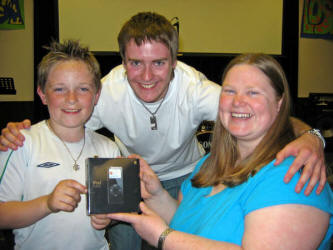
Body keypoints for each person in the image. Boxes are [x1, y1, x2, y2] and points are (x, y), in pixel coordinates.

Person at [0, 12, 327, 250]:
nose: (145, 76)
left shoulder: (196, 89)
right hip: (139, 173)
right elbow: (63, 111)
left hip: (187, 175)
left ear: (174, 61)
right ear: (122, 62)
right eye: (135, 63)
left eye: (158, 62)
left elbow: (260, 114)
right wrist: (20, 131)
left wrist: (312, 137)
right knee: (127, 238)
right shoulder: (104, 92)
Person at [99, 53, 333, 250]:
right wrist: (156, 194)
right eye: (229, 91)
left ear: (279, 103)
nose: (238, 101)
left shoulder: (295, 175)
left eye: (253, 92)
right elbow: (191, 226)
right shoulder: (208, 164)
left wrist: (164, 238)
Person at [0, 40, 120, 250]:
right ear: (42, 95)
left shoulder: (108, 148)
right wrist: (47, 203)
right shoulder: (22, 142)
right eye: (59, 89)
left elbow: (116, 207)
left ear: (96, 95)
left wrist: (109, 219)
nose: (71, 99)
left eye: (83, 88)